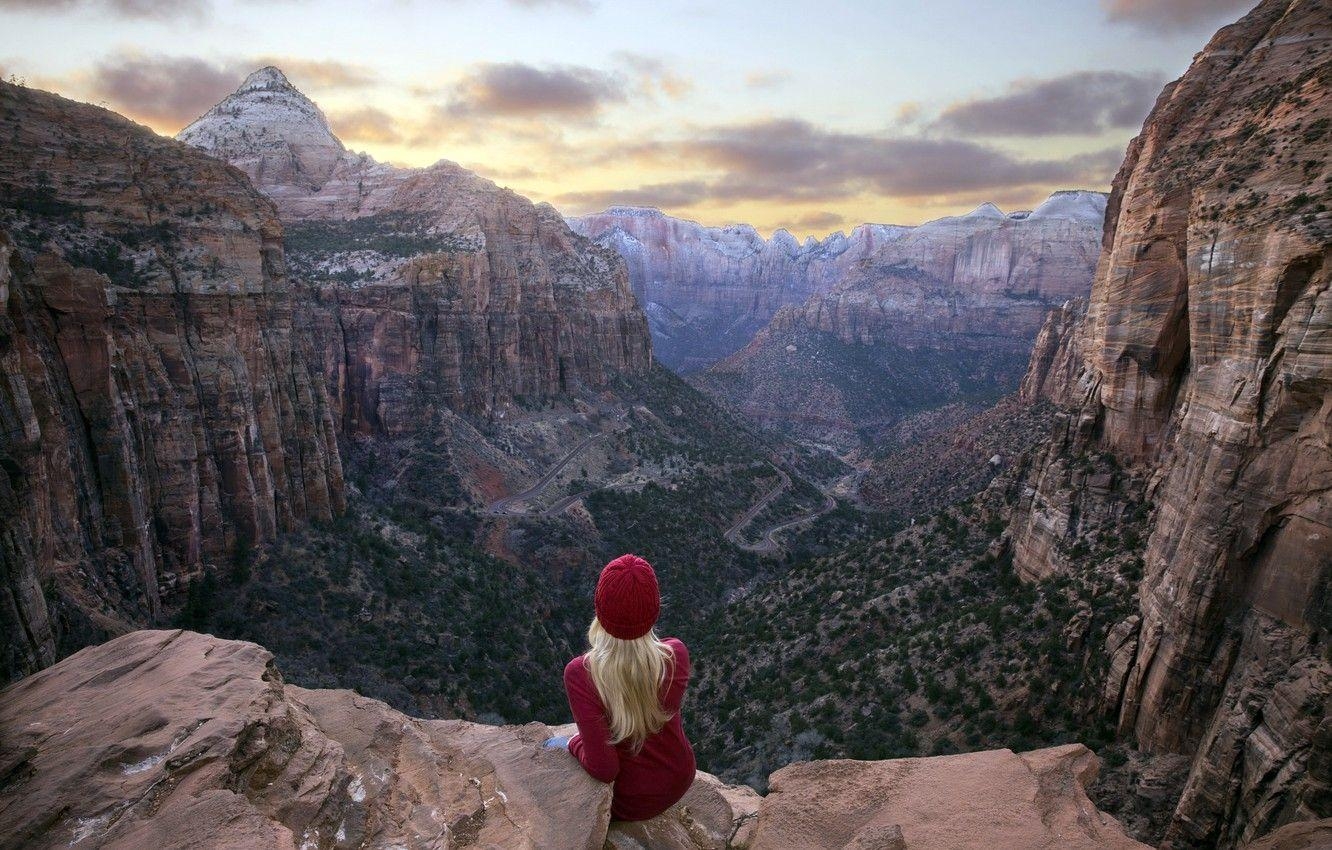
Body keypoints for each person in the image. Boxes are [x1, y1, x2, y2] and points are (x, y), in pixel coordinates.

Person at [545, 554, 695, 821]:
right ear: (654, 609)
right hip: (680, 777)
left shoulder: (580, 674)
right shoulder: (676, 655)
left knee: (552, 745)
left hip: (632, 800)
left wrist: (573, 743)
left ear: (600, 609)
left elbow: (605, 769)